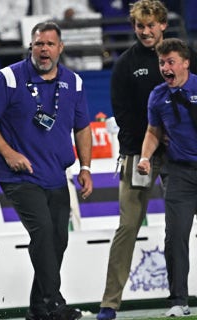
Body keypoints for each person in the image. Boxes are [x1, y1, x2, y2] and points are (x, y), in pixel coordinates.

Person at [0, 21, 93, 320]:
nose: (44, 49)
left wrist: (86, 167)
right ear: (31, 46)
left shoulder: (74, 82)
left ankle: (38, 308)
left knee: (58, 240)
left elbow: (83, 127)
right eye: (39, 44)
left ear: (60, 48)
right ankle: (55, 303)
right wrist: (9, 152)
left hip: (55, 174)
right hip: (18, 174)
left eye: (50, 44)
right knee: (42, 232)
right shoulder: (9, 77)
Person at [96, 2, 197, 319]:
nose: (145, 31)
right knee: (127, 226)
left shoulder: (183, 54)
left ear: (163, 24)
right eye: (140, 26)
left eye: (151, 24)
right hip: (140, 154)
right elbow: (122, 113)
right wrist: (151, 140)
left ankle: (177, 298)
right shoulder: (126, 63)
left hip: (183, 158)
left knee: (176, 230)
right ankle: (110, 303)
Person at [137, 38, 197, 318]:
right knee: (175, 238)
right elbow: (153, 131)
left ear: (185, 63)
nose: (165, 67)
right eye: (162, 62)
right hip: (180, 174)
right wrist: (146, 157)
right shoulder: (157, 96)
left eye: (170, 61)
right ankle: (178, 300)